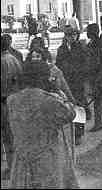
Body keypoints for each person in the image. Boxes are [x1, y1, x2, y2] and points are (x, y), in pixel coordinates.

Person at [7, 61, 79, 188]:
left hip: (22, 157)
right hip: (46, 159)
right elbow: (70, 113)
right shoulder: (48, 100)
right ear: (43, 78)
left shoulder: (12, 99)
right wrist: (57, 91)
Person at [56, 25, 89, 145]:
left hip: (78, 82)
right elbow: (58, 64)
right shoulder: (61, 49)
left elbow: (86, 64)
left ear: (77, 35)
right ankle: (71, 133)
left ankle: (79, 134)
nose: (71, 37)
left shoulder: (81, 47)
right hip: (66, 83)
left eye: (73, 35)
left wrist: (84, 79)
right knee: (68, 108)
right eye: (68, 35)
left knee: (79, 107)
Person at [1, 36, 23, 180]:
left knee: (7, 138)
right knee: (12, 136)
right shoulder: (14, 58)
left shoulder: (2, 61)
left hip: (4, 101)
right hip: (14, 100)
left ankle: (12, 168)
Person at [86, 23, 102, 132]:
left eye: (89, 31)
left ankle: (98, 123)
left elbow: (98, 61)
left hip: (98, 75)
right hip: (94, 75)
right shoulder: (93, 43)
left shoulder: (97, 44)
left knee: (98, 100)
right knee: (101, 99)